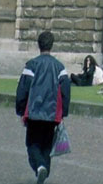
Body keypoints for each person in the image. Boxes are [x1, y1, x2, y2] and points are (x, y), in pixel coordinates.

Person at [15, 30, 70, 184]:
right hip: (52, 113)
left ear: (38, 45)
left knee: (32, 144)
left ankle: (40, 167)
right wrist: (63, 112)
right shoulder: (59, 67)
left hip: (34, 111)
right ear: (51, 45)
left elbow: (23, 89)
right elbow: (66, 90)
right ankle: (44, 169)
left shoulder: (32, 65)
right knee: (46, 145)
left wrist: (20, 110)